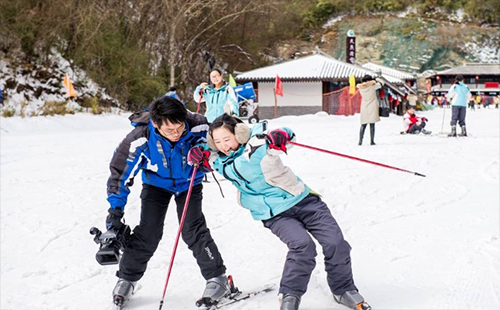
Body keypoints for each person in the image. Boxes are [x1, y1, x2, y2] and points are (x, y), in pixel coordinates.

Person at [187, 114, 371, 310]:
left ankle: (343, 289)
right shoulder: (218, 160)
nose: (223, 145)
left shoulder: (257, 146)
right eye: (217, 141)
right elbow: (202, 157)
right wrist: (195, 155)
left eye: (227, 139)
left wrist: (281, 135)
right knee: (302, 245)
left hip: (304, 201)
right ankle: (290, 295)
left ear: (239, 135)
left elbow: (286, 137)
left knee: (336, 242)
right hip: (275, 214)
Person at [105, 96, 230, 307]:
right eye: (169, 130)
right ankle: (127, 278)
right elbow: (119, 174)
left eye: (180, 127)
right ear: (156, 124)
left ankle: (217, 278)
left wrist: (206, 157)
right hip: (156, 185)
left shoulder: (199, 126)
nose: (176, 133)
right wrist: (115, 211)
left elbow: (220, 148)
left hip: (189, 183)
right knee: (148, 232)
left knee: (192, 229)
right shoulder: (141, 136)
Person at [357, 75, 384, 146]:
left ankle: (360, 141)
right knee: (372, 124)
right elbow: (382, 83)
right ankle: (372, 141)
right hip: (372, 106)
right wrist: (377, 79)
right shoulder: (373, 86)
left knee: (363, 124)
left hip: (364, 106)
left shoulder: (360, 88)